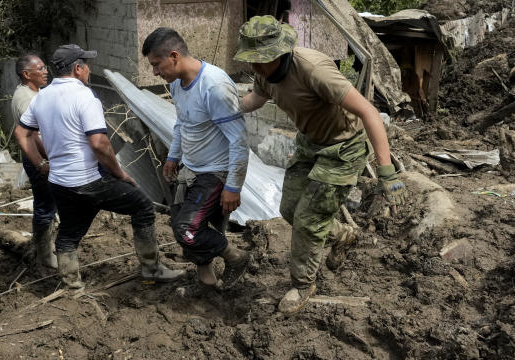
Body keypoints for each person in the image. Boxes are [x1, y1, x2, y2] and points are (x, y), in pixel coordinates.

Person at [235, 16, 408, 314]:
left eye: (260, 60)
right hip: (309, 144)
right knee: (289, 209)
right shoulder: (264, 72)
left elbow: (369, 111)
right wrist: (226, 108)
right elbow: (256, 99)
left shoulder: (314, 70)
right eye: (251, 60)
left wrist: (387, 172)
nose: (255, 67)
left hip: (343, 148)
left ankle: (303, 284)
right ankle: (343, 234)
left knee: (308, 220)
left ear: (279, 52)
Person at [15, 44, 182, 288]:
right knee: (143, 206)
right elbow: (99, 143)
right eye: (87, 65)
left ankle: (72, 285)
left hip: (59, 182)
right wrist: (119, 173)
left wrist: (41, 164)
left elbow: (22, 133)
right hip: (87, 181)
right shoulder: (85, 96)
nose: (89, 70)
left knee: (69, 234)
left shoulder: (42, 97)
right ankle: (151, 267)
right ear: (78, 68)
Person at [141, 27, 251, 288]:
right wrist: (173, 156)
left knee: (186, 230)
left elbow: (239, 140)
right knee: (185, 224)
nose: (155, 72)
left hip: (215, 172)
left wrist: (233, 186)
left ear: (174, 56)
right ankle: (207, 283)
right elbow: (183, 123)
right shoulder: (179, 84)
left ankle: (235, 257)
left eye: (157, 65)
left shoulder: (214, 87)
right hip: (190, 168)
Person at [10, 54, 57, 269]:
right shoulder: (25, 98)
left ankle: (47, 247)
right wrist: (46, 160)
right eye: (40, 68)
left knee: (50, 202)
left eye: (45, 66)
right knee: (45, 204)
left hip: (43, 155)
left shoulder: (36, 93)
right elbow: (34, 134)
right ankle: (44, 254)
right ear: (27, 74)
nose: (45, 71)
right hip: (38, 157)